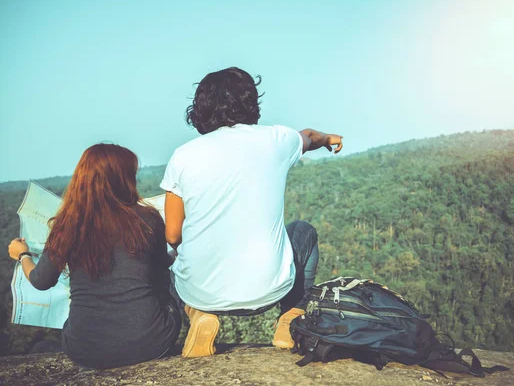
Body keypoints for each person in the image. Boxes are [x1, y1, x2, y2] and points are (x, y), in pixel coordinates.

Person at [161, 67, 343, 357]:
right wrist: (330, 138)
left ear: (201, 108)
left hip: (202, 292)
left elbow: (172, 234)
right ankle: (290, 318)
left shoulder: (183, 155)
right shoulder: (277, 139)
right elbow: (309, 136)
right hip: (271, 290)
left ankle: (198, 315)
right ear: (251, 102)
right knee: (304, 231)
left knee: (166, 260)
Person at [7, 144, 181, 369]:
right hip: (151, 342)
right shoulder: (147, 218)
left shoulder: (68, 225)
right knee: (171, 288)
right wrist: (176, 251)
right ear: (122, 179)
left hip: (84, 349)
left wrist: (23, 256)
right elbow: (160, 268)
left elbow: (41, 281)